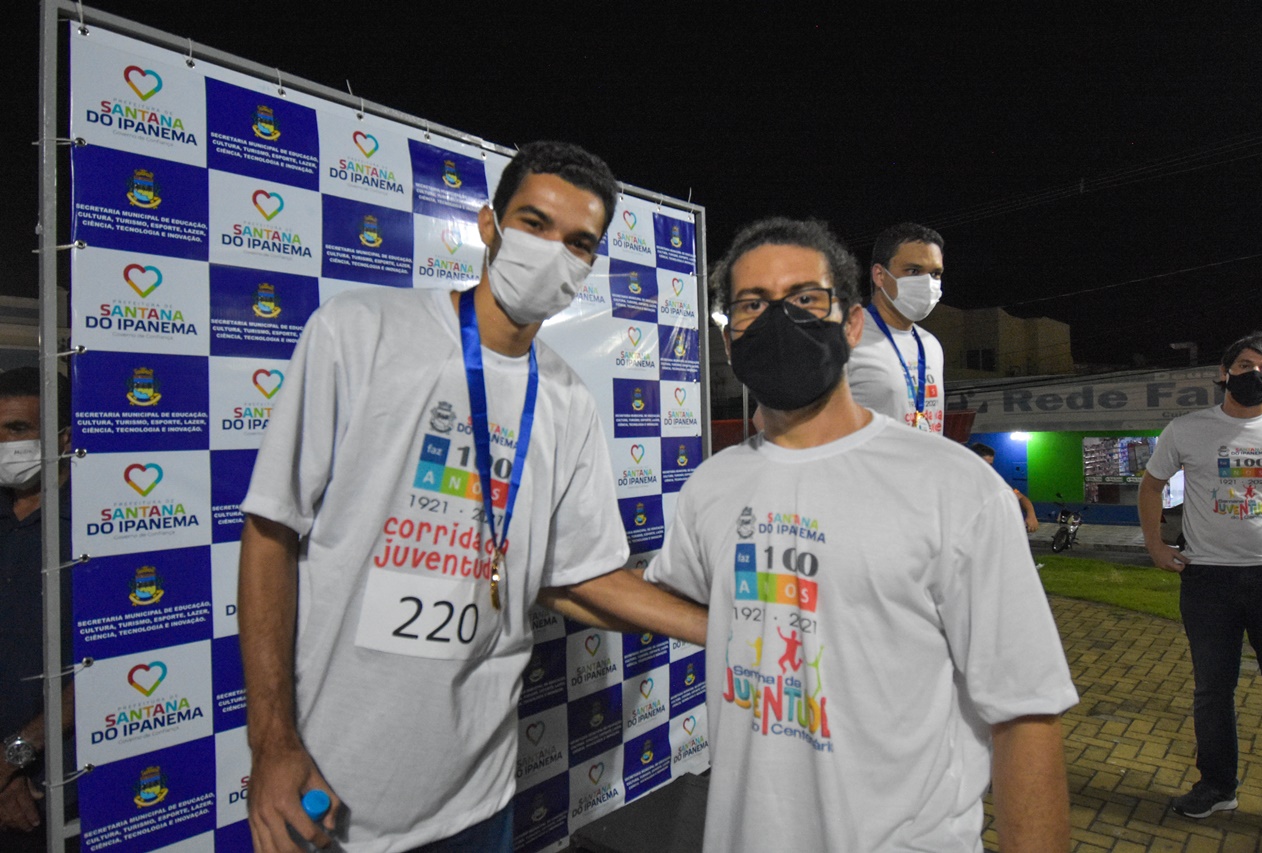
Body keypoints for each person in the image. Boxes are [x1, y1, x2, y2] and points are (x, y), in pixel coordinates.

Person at [238, 141, 707, 853]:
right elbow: (270, 532)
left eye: (579, 242)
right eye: (535, 223)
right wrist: (271, 742)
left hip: (481, 796)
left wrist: (726, 628)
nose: (553, 252)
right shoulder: (359, 331)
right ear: (489, 225)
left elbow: (580, 578)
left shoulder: (569, 400)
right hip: (331, 792)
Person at [645, 218, 1077, 851]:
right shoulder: (712, 486)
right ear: (729, 340)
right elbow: (686, 604)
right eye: (751, 305)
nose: (778, 321)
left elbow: (1025, 713)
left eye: (804, 299)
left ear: (851, 325)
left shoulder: (957, 489)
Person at [1138, 332, 1262, 832]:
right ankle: (1217, 788)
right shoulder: (1187, 429)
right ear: (1224, 373)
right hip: (1209, 581)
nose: (1255, 374)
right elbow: (1151, 486)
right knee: (1212, 691)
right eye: (1244, 364)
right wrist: (1156, 545)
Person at [0, 367, 73, 853]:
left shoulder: (96, 530)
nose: (5, 444)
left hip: (55, 789)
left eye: (18, 429)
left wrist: (12, 760)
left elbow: (105, 666)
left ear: (64, 439)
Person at [845, 222, 946, 433]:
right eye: (914, 271)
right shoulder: (844, 337)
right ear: (879, 275)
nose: (927, 283)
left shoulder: (931, 345)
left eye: (935, 273)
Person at [970, 442, 1040, 533]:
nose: (988, 469)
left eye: (990, 465)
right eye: (984, 464)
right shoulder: (961, 483)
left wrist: (1031, 515)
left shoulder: (996, 482)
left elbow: (1021, 497)